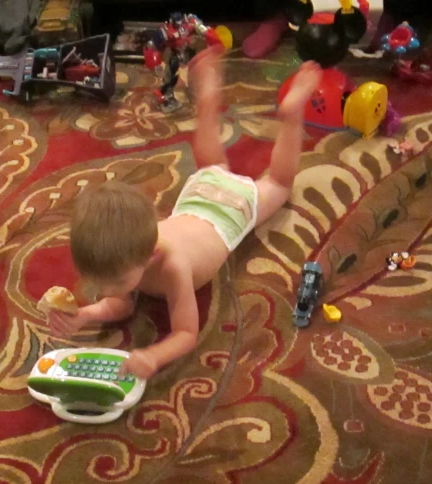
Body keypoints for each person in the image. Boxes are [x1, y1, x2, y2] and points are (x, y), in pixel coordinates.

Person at [49, 46, 322, 379]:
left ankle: (292, 113)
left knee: (278, 183)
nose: (105, 288)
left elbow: (185, 334)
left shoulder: (174, 267)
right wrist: (85, 315)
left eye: (113, 282)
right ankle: (207, 103)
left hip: (230, 210)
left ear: (150, 257)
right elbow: (121, 303)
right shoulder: (126, 253)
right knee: (211, 165)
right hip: (198, 195)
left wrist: (154, 355)